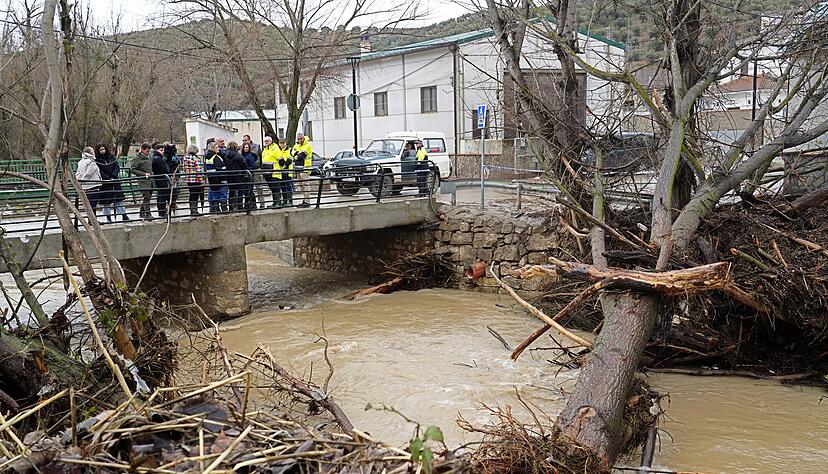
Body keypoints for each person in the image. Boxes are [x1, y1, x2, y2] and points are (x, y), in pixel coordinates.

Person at [95, 144, 129, 222]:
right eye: (101, 149)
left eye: (104, 149)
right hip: (105, 183)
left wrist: (114, 175)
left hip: (115, 181)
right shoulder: (97, 160)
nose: (103, 151)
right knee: (106, 201)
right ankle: (108, 217)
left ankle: (124, 215)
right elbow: (99, 171)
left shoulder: (111, 157)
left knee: (119, 200)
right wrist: (107, 177)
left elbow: (116, 166)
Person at [75, 147, 104, 216]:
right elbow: (89, 173)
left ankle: (91, 219)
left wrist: (79, 181)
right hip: (93, 185)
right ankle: (92, 219)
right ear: (90, 153)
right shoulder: (91, 162)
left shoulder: (80, 162)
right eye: (93, 151)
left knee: (89, 204)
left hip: (85, 186)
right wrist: (83, 180)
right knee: (93, 204)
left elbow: (78, 173)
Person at [130, 143, 154, 220]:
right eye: (147, 151)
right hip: (143, 181)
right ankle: (148, 214)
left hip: (150, 181)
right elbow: (132, 169)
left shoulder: (149, 157)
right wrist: (143, 174)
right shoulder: (137, 158)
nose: (148, 153)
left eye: (149, 151)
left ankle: (142, 212)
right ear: (142, 150)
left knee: (148, 197)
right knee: (146, 197)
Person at [204, 140, 229, 213]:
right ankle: (224, 209)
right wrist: (224, 179)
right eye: (216, 147)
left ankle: (215, 209)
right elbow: (220, 170)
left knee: (215, 195)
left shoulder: (208, 157)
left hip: (212, 180)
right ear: (213, 148)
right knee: (223, 195)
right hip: (220, 180)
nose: (218, 149)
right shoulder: (216, 157)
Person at [290, 132, 313, 208]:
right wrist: (296, 154)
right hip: (298, 168)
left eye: (301, 138)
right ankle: (305, 200)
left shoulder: (307, 145)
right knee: (301, 185)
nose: (299, 140)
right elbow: (291, 153)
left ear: (303, 138)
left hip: (305, 168)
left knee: (305, 184)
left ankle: (307, 201)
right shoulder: (296, 145)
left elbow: (301, 156)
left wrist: (296, 155)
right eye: (298, 139)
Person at [181, 145, 205, 216]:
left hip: (189, 179)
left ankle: (192, 209)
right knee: (196, 195)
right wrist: (201, 180)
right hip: (196, 180)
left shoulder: (185, 158)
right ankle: (195, 210)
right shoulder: (195, 158)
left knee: (191, 194)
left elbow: (184, 169)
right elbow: (198, 170)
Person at [260, 136, 283, 208]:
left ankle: (278, 203)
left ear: (271, 141)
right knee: (272, 188)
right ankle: (275, 203)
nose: (266, 142)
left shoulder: (275, 149)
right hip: (267, 172)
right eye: (265, 141)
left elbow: (281, 161)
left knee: (276, 188)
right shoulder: (265, 150)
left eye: (267, 141)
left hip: (274, 172)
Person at [224, 141, 247, 211]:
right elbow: (244, 165)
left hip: (229, 176)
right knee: (240, 191)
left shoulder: (225, 155)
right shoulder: (238, 155)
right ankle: (240, 206)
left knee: (231, 192)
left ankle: (230, 207)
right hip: (238, 175)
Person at [151, 142, 172, 217]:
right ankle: (162, 212)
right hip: (161, 179)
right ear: (156, 150)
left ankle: (161, 211)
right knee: (162, 196)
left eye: (163, 150)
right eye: (161, 150)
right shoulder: (158, 159)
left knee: (160, 196)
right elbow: (164, 170)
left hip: (158, 179)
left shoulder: (155, 157)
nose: (163, 152)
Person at [240, 142, 259, 210]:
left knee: (249, 191)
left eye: (247, 147)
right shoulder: (242, 155)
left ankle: (251, 205)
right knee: (247, 191)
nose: (245, 149)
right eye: (244, 147)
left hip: (248, 175)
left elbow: (252, 166)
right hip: (244, 175)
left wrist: (246, 169)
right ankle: (249, 205)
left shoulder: (250, 156)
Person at [164, 143, 182, 213]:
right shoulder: (165, 156)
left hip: (175, 173)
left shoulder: (174, 156)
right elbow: (164, 163)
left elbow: (178, 163)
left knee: (176, 189)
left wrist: (175, 160)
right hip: (169, 174)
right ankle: (168, 203)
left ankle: (173, 202)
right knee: (168, 190)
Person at [277, 138, 294, 207]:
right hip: (281, 172)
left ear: (285, 143)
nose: (281, 144)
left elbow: (289, 160)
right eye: (280, 143)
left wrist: (283, 167)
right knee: (283, 187)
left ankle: (290, 201)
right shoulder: (278, 150)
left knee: (288, 187)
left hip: (287, 171)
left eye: (283, 143)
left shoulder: (290, 150)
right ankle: (285, 201)